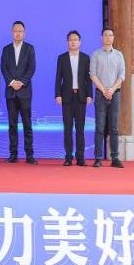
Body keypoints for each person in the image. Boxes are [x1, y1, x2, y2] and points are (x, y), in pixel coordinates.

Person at [0, 20, 37, 164]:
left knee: (27, 124)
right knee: (12, 124)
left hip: (25, 92)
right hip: (10, 92)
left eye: (20, 31)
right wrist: (12, 82)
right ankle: (13, 154)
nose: (17, 33)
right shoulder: (6, 49)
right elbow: (4, 68)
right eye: (15, 31)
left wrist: (21, 82)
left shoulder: (29, 48)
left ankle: (29, 155)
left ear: (24, 33)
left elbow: (31, 68)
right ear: (12, 33)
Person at [55, 29, 92, 167]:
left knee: (80, 129)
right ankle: (68, 157)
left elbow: (88, 79)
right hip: (67, 97)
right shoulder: (62, 58)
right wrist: (58, 94)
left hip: (81, 97)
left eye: (75, 39)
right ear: (67, 42)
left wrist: (90, 95)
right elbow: (58, 78)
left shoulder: (86, 58)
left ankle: (80, 157)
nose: (73, 42)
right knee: (68, 129)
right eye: (71, 40)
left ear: (79, 42)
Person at [90, 27, 126, 168]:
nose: (108, 37)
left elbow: (122, 75)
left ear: (113, 38)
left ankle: (115, 158)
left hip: (115, 94)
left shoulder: (119, 55)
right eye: (105, 35)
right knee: (99, 127)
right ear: (101, 38)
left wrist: (112, 89)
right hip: (100, 94)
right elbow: (93, 74)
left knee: (114, 128)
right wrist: (103, 89)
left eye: (110, 35)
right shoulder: (96, 55)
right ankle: (98, 158)